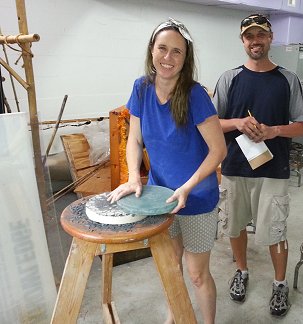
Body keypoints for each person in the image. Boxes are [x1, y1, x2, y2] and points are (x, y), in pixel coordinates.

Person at [107, 18, 226, 324]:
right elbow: (134, 138)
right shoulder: (142, 88)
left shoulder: (195, 94)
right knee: (171, 266)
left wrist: (187, 187)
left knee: (197, 274)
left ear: (186, 59)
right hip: (161, 197)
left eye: (177, 52)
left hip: (196, 198)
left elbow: (218, 150)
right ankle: (174, 318)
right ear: (152, 50)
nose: (168, 58)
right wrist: (135, 176)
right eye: (163, 48)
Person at [212, 13, 303, 317]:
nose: (255, 41)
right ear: (243, 41)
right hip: (235, 168)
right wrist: (239, 123)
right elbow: (212, 122)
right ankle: (242, 271)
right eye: (249, 36)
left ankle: (280, 283)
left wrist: (274, 131)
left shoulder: (287, 79)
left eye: (261, 35)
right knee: (235, 224)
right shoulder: (230, 78)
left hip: (273, 170)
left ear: (271, 38)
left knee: (275, 230)